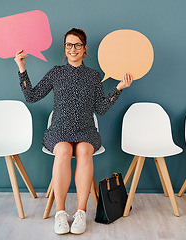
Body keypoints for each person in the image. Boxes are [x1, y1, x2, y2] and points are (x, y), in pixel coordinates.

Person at [14, 28, 133, 235]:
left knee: (85, 152)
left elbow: (101, 109)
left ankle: (80, 213)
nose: (73, 49)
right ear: (64, 48)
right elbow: (32, 96)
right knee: (63, 151)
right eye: (69, 45)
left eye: (78, 45)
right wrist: (21, 67)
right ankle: (60, 213)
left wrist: (119, 88)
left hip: (86, 130)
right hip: (59, 130)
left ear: (85, 48)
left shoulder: (94, 76)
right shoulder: (56, 72)